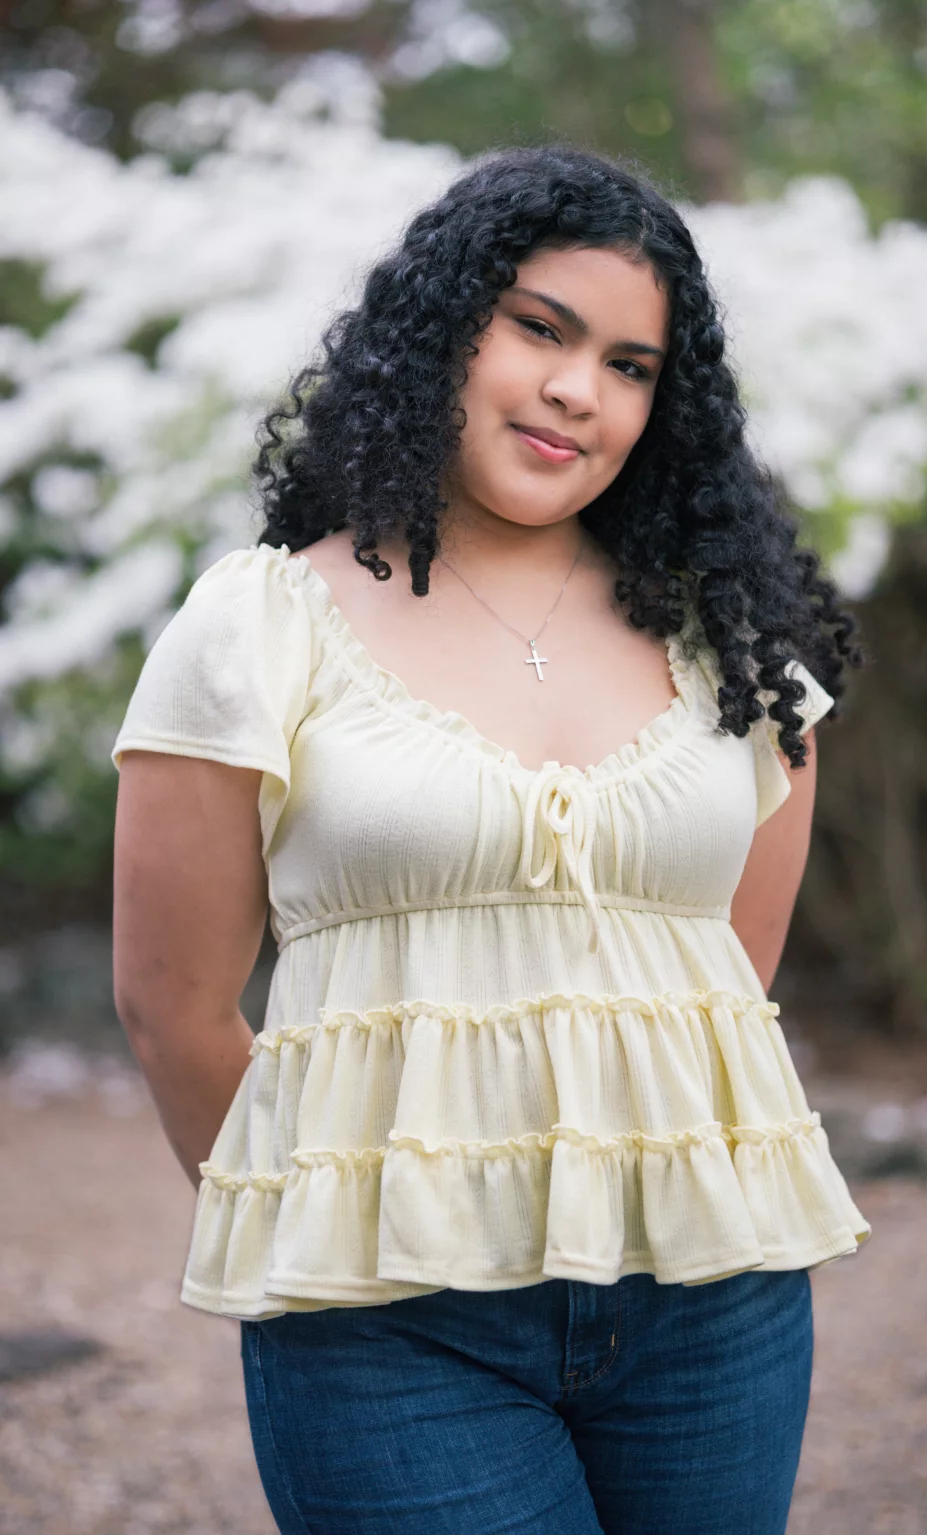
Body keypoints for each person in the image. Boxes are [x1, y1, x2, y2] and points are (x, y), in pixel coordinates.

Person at [111, 143, 872, 1535]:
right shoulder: (261, 621)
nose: (580, 389)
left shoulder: (737, 651)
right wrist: (337, 1208)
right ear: (444, 325)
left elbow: (725, 983)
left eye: (633, 365)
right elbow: (171, 1005)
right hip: (391, 1324)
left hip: (716, 1300)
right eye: (541, 328)